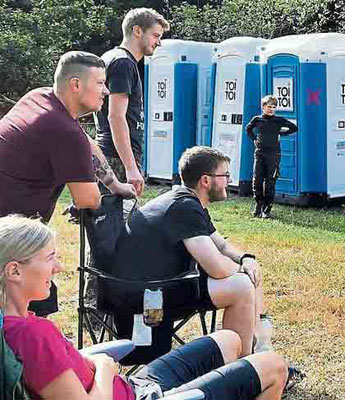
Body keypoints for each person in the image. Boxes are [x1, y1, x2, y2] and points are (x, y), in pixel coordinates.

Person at [0, 214, 289, 400]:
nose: (60, 267)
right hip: (135, 394)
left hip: (133, 386)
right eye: (50, 258)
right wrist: (103, 368)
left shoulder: (15, 324)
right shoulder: (33, 335)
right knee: (274, 366)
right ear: (14, 271)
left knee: (231, 339)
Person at [0, 51, 135, 316]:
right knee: (34, 305)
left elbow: (85, 142)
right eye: (99, 83)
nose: (106, 90)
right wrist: (104, 191)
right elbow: (87, 199)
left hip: (10, 227)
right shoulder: (63, 129)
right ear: (75, 84)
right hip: (9, 238)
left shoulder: (39, 97)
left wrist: (115, 183)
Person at [111, 146, 272, 357]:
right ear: (205, 181)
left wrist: (245, 259)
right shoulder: (185, 207)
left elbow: (221, 245)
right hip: (147, 297)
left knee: (251, 269)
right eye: (225, 175)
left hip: (158, 284)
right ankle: (242, 368)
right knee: (242, 285)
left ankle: (261, 348)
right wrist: (243, 272)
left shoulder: (186, 200)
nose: (229, 181)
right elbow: (217, 268)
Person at [95, 8, 170, 197]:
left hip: (109, 155)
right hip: (116, 158)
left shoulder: (110, 57)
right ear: (137, 31)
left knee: (109, 220)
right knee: (117, 223)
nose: (159, 42)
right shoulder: (123, 63)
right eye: (155, 35)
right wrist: (130, 168)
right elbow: (116, 116)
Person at [246, 95, 298, 218]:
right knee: (257, 181)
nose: (271, 109)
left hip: (273, 154)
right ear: (263, 107)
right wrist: (254, 139)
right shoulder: (257, 119)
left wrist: (280, 133)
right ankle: (258, 205)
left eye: (274, 107)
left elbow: (294, 128)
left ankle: (266, 209)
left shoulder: (278, 120)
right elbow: (248, 129)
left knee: (270, 182)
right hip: (259, 153)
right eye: (269, 106)